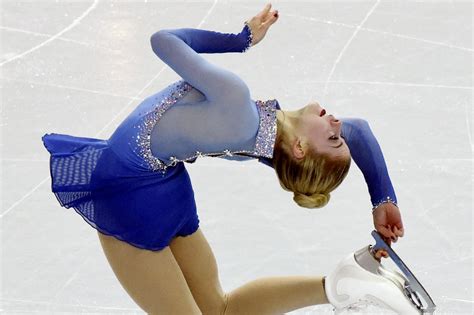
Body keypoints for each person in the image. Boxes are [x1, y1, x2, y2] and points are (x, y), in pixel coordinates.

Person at [41, 3, 406, 314]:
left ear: (300, 149)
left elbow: (163, 41)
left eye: (332, 137)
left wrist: (240, 40)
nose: (338, 123)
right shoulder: (267, 144)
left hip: (127, 196)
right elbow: (358, 131)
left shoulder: (236, 103)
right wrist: (383, 198)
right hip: (167, 189)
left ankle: (340, 286)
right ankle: (336, 285)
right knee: (220, 309)